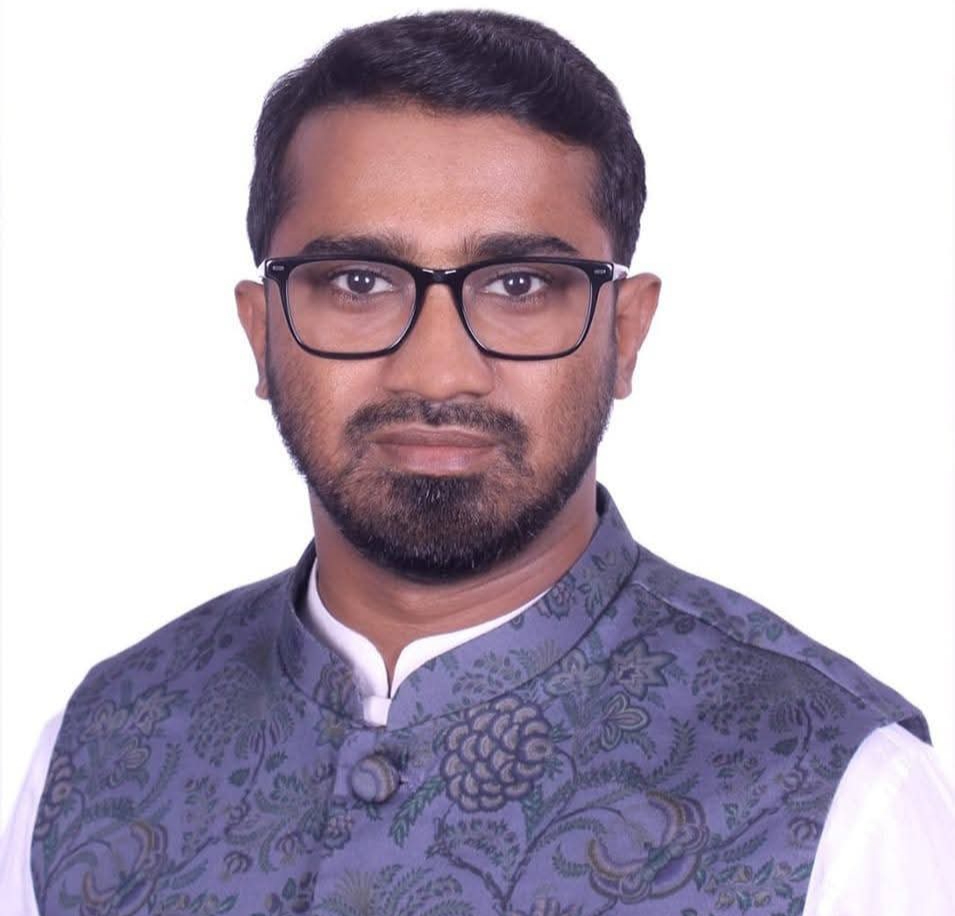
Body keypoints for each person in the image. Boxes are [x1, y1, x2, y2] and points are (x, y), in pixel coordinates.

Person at [2, 9, 954, 914]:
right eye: (359, 282)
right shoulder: (100, 750)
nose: (438, 369)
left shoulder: (835, 790)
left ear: (624, 334)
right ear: (262, 334)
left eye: (519, 284)